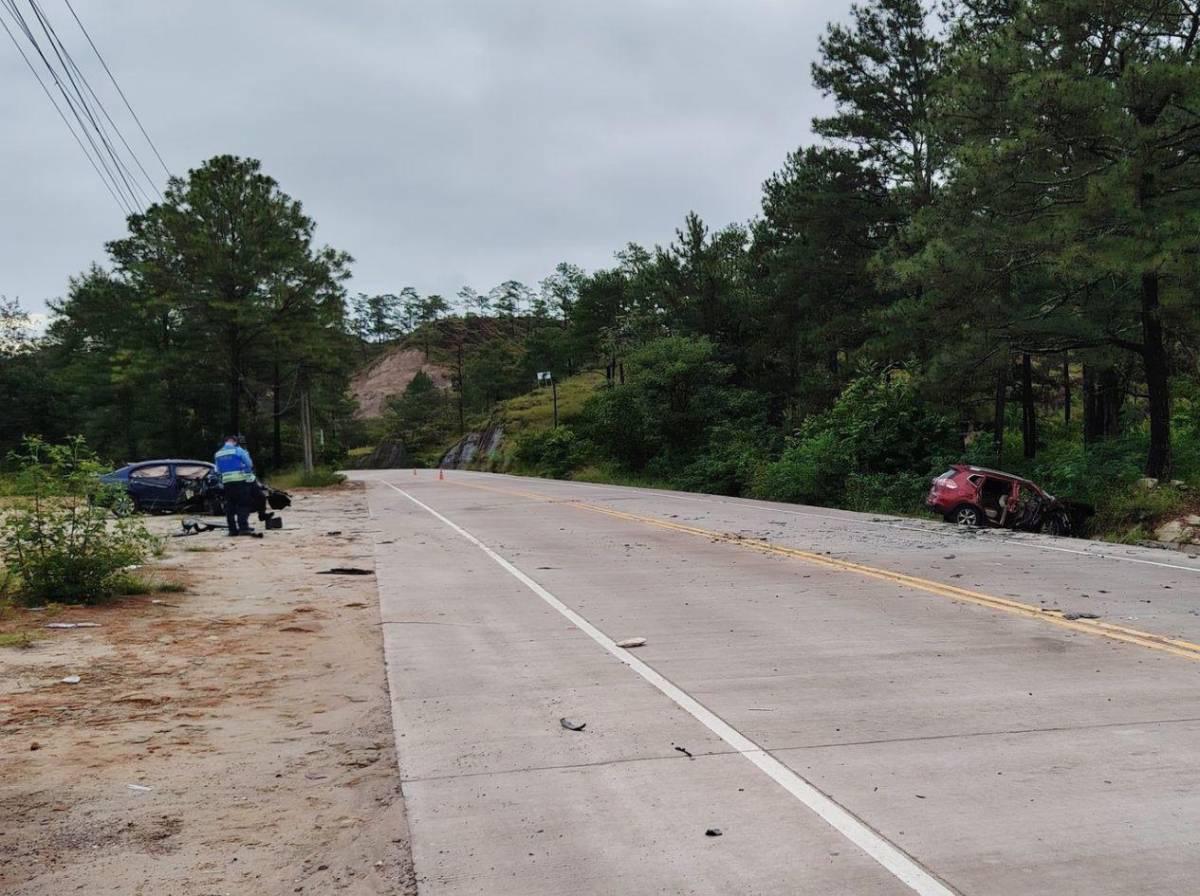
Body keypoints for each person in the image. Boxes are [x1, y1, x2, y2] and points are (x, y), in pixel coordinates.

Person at [214, 435, 256, 536]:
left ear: (225, 442)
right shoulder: (238, 450)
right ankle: (243, 528)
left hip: (227, 482)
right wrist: (244, 469)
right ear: (234, 441)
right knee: (243, 504)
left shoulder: (218, 454)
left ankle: (232, 530)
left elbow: (217, 470)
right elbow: (249, 464)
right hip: (240, 480)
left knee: (230, 505)